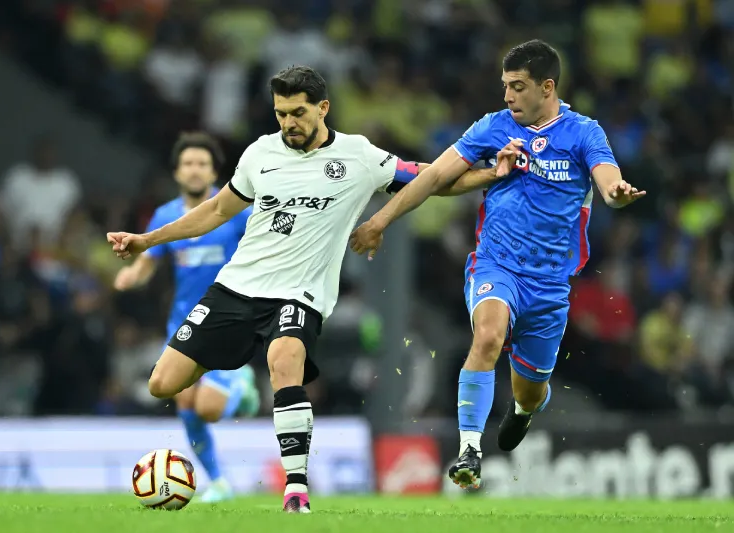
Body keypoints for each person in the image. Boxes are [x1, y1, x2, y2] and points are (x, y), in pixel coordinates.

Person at [107, 66, 519, 512]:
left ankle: (296, 489)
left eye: (298, 113)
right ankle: (242, 390)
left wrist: (489, 175)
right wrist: (148, 239)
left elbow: (429, 177)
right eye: (281, 113)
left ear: (323, 108)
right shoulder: (260, 154)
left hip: (299, 293)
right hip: (236, 287)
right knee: (161, 384)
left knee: (284, 360)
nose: (289, 123)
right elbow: (214, 211)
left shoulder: (358, 157)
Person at [349, 40, 646, 490]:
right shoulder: (493, 127)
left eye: (518, 86)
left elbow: (608, 181)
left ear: (547, 87)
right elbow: (433, 176)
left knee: (530, 390)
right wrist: (379, 220)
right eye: (505, 85)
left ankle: (525, 409)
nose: (507, 96)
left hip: (549, 284)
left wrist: (617, 195)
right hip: (496, 265)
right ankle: (469, 450)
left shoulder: (585, 133)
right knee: (487, 336)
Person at [113, 132, 259, 503]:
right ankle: (220, 481)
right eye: (188, 164)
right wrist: (132, 276)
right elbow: (149, 261)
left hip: (228, 319)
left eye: (202, 164)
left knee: (208, 410)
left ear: (214, 172)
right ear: (177, 172)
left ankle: (242, 389)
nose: (195, 171)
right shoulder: (165, 216)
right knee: (185, 405)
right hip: (183, 323)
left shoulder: (235, 211)